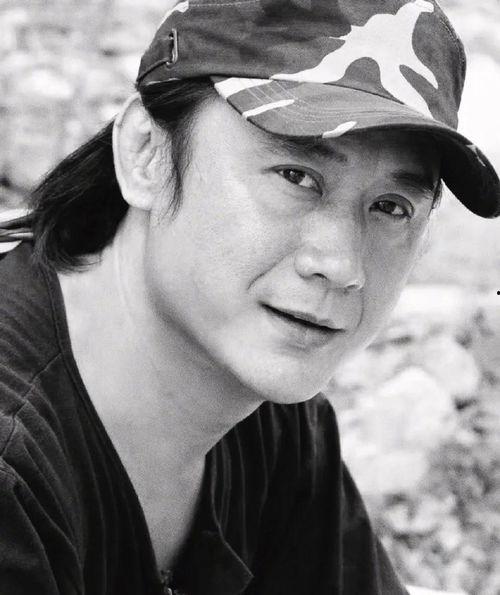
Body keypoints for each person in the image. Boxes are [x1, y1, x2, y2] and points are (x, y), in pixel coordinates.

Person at [0, 0, 499, 594]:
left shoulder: (273, 417)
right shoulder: (14, 467)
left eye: (391, 207)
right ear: (146, 152)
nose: (342, 267)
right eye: (296, 176)